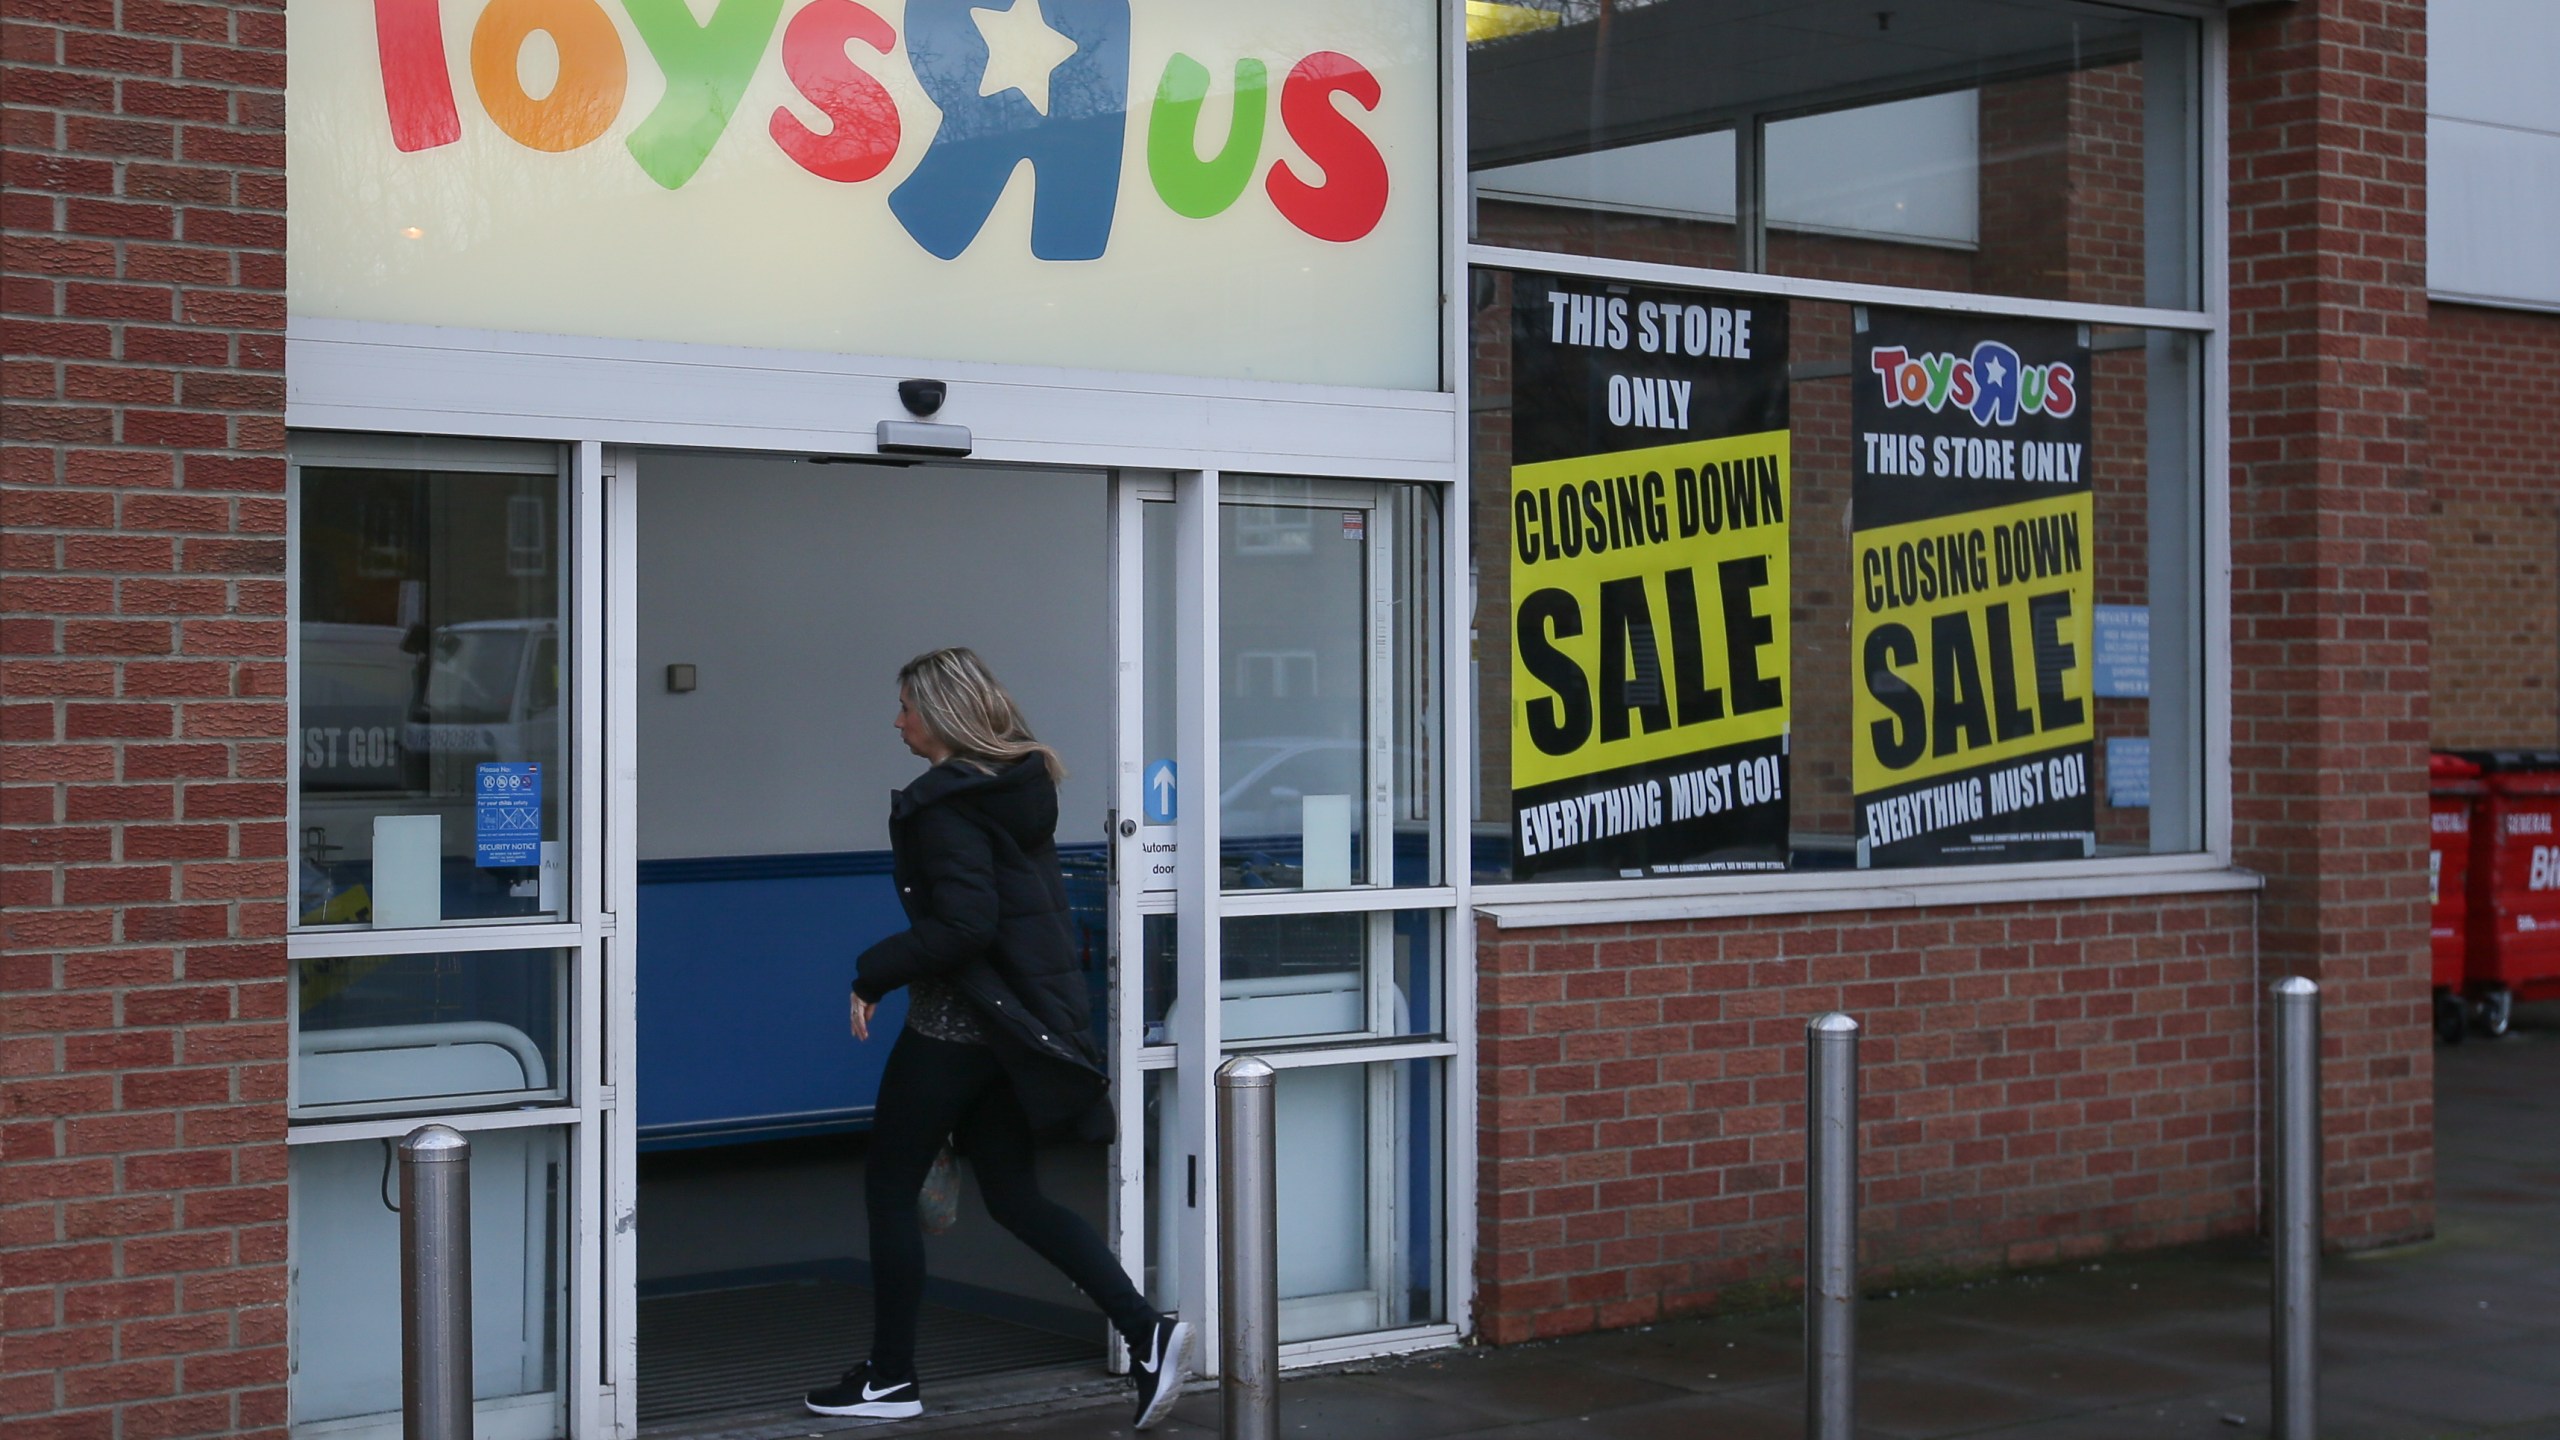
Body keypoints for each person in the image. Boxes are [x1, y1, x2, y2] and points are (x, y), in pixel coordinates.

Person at [804, 647, 1191, 1429]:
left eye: (907, 707)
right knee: (1014, 1196)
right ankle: (1148, 1332)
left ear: (941, 716)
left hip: (953, 1028)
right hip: (1008, 1031)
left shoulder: (944, 805)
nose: (897, 720)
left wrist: (871, 973)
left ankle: (890, 1379)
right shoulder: (1009, 793)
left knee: (888, 1187)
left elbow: (965, 925)